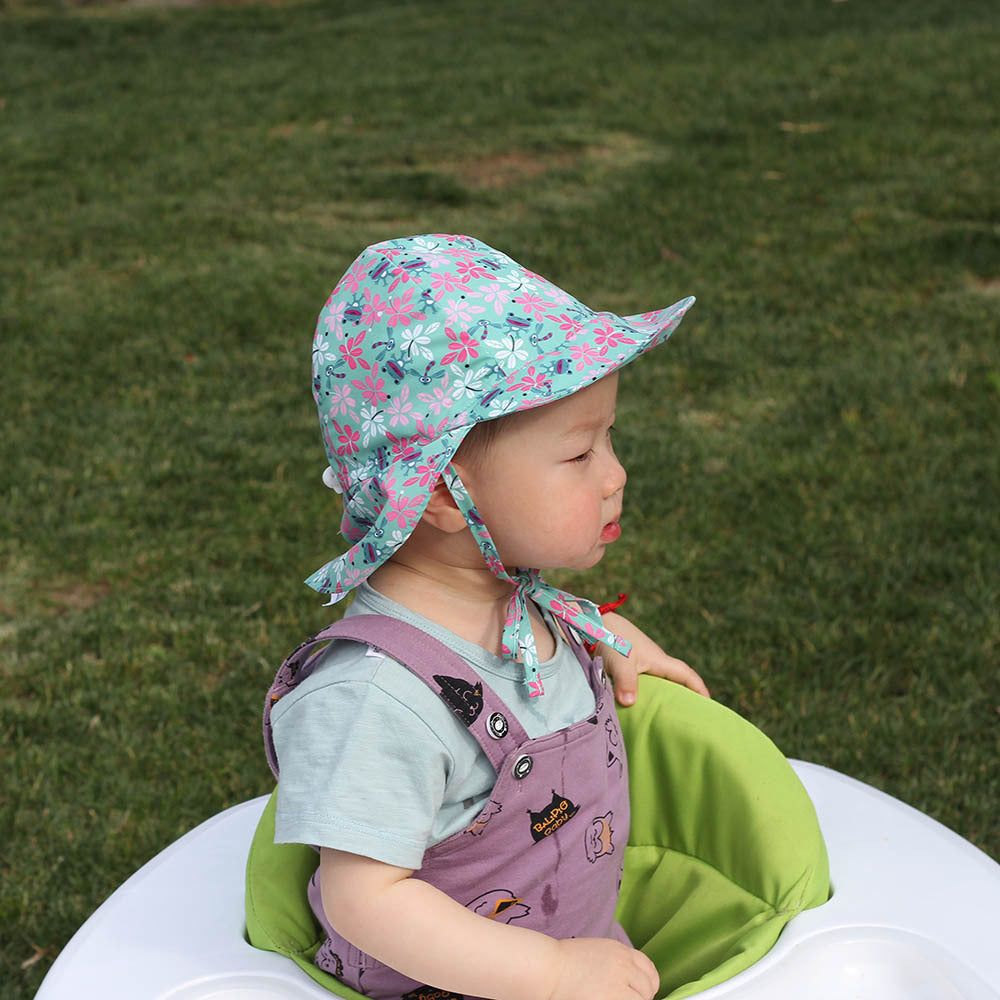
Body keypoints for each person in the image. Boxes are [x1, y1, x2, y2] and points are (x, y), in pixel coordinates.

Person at [265, 234, 709, 1000]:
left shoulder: (517, 603)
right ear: (441, 492)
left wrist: (612, 639)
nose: (616, 475)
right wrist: (552, 974)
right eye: (578, 455)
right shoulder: (376, 701)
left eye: (610, 439)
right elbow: (364, 900)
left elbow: (544, 642)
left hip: (584, 965)